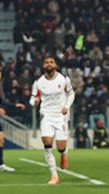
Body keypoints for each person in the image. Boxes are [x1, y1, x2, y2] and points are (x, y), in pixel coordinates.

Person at [30, 55, 75, 184]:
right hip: (46, 115)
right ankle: (54, 175)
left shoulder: (63, 79)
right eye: (46, 62)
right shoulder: (38, 82)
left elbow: (71, 93)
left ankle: (63, 153)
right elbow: (32, 99)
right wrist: (35, 101)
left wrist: (67, 106)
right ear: (43, 65)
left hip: (61, 116)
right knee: (47, 143)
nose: (49, 64)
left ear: (55, 65)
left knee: (61, 146)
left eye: (51, 62)